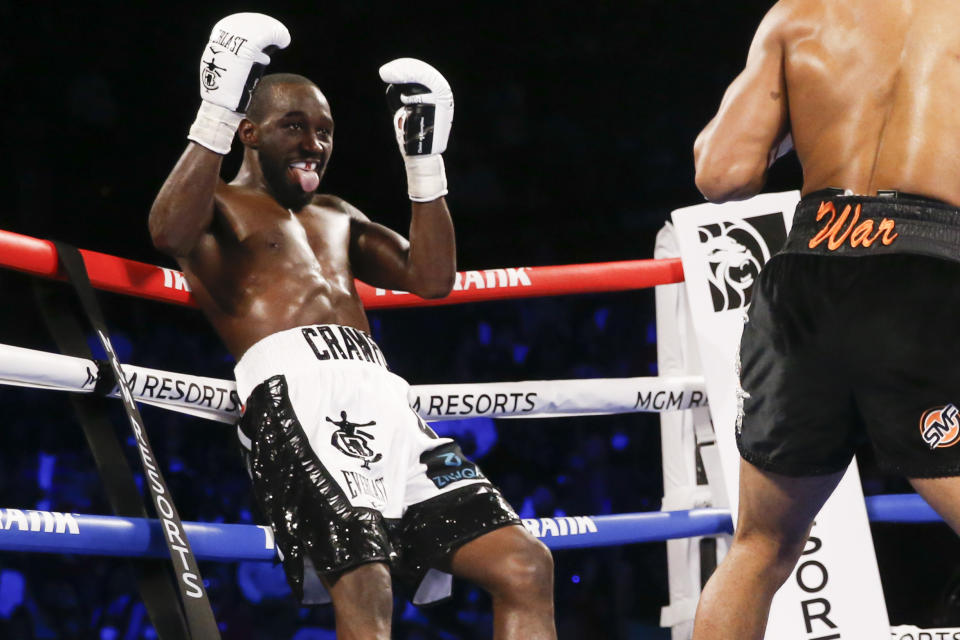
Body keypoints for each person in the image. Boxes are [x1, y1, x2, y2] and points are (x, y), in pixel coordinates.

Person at [148, 13, 556, 639]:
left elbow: (431, 277)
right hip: (298, 396)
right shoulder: (217, 205)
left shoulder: (338, 214)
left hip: (384, 397)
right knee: (366, 581)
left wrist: (424, 161)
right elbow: (166, 232)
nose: (315, 142)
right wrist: (216, 108)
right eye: (295, 126)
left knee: (524, 564)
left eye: (325, 131)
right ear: (248, 130)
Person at [691, 1, 960, 637]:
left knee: (760, 548)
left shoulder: (796, 15)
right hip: (925, 272)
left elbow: (721, 173)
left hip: (807, 269)